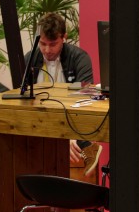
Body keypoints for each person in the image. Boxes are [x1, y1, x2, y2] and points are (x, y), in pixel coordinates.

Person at [23, 12, 94, 165]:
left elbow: (84, 97)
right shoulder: (30, 59)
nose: (47, 50)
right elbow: (23, 102)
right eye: (42, 44)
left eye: (53, 44)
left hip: (73, 122)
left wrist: (68, 135)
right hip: (39, 126)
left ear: (64, 37)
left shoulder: (80, 58)